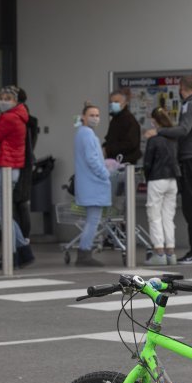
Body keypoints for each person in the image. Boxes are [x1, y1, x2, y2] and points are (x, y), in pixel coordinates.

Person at [144, 75, 192, 265]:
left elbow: (183, 130)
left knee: (191, 207)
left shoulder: (190, 105)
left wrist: (159, 132)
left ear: (182, 89)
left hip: (190, 158)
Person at [0, 85, 35, 269]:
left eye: (8, 98)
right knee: (5, 213)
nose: (3, 101)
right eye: (1, 97)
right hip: (12, 167)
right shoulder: (20, 117)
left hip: (4, 167)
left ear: (15, 101)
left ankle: (17, 251)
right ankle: (20, 251)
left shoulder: (9, 118)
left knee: (2, 214)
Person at [73, 103, 111, 267]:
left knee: (92, 219)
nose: (95, 118)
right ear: (83, 117)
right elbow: (92, 159)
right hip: (93, 183)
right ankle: (84, 252)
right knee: (93, 220)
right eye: (91, 115)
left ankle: (84, 252)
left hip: (87, 183)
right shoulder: (87, 134)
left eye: (97, 115)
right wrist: (105, 174)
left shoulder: (81, 133)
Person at [142, 107, 180, 266]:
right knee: (168, 217)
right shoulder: (172, 138)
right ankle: (171, 253)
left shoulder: (154, 139)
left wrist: (146, 177)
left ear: (155, 121)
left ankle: (159, 253)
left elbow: (147, 163)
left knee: (154, 215)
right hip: (172, 179)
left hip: (157, 179)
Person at [13, 87, 38, 239]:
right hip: (26, 164)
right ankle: (24, 238)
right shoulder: (31, 121)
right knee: (23, 203)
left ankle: (19, 239)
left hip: (18, 164)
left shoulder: (19, 120)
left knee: (17, 204)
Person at [103, 89, 141, 164]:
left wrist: (108, 150)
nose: (113, 104)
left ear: (125, 103)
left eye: (116, 102)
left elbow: (130, 144)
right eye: (111, 102)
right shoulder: (115, 119)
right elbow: (111, 139)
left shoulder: (129, 120)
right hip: (116, 161)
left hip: (125, 162)